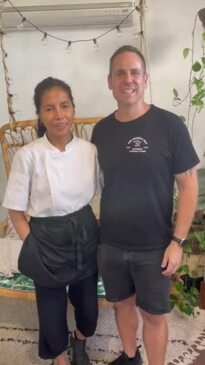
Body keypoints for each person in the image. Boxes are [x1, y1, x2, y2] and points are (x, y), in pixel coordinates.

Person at [91, 45, 199, 365]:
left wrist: (177, 242)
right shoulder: (101, 131)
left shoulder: (169, 126)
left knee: (153, 316)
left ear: (145, 79)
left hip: (154, 245)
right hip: (111, 244)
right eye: (120, 73)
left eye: (135, 72)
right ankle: (129, 356)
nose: (128, 79)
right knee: (122, 306)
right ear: (109, 81)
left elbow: (189, 184)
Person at [3, 77, 100, 365]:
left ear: (73, 109)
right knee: (51, 308)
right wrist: (31, 243)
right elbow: (15, 210)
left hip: (84, 230)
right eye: (49, 109)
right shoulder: (28, 155)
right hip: (45, 235)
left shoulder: (89, 150)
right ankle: (60, 357)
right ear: (40, 115)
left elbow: (100, 193)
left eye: (64, 106)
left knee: (88, 305)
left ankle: (80, 340)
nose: (59, 115)